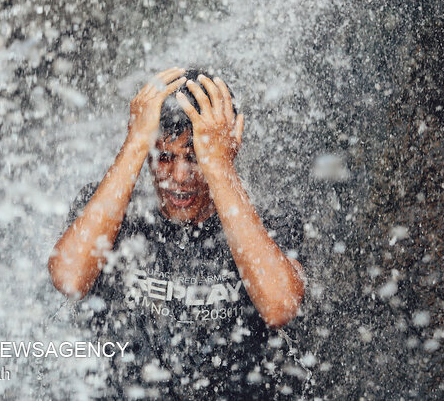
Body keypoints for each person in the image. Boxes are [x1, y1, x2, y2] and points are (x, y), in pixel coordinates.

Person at [48, 67, 306, 398]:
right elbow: (69, 279)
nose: (180, 176)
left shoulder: (266, 226)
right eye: (165, 157)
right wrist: (136, 142)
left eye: (195, 157)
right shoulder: (115, 217)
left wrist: (219, 166)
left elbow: (280, 306)